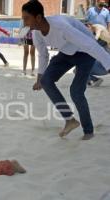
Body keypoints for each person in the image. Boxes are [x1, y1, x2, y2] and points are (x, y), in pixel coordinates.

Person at [21, 0, 110, 140]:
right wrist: (39, 79)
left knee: (76, 92)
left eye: (26, 18)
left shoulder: (61, 26)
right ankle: (70, 120)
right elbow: (43, 54)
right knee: (46, 81)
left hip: (84, 53)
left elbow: (89, 44)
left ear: (38, 17)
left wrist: (108, 63)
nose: (24, 22)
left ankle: (88, 131)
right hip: (66, 52)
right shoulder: (36, 32)